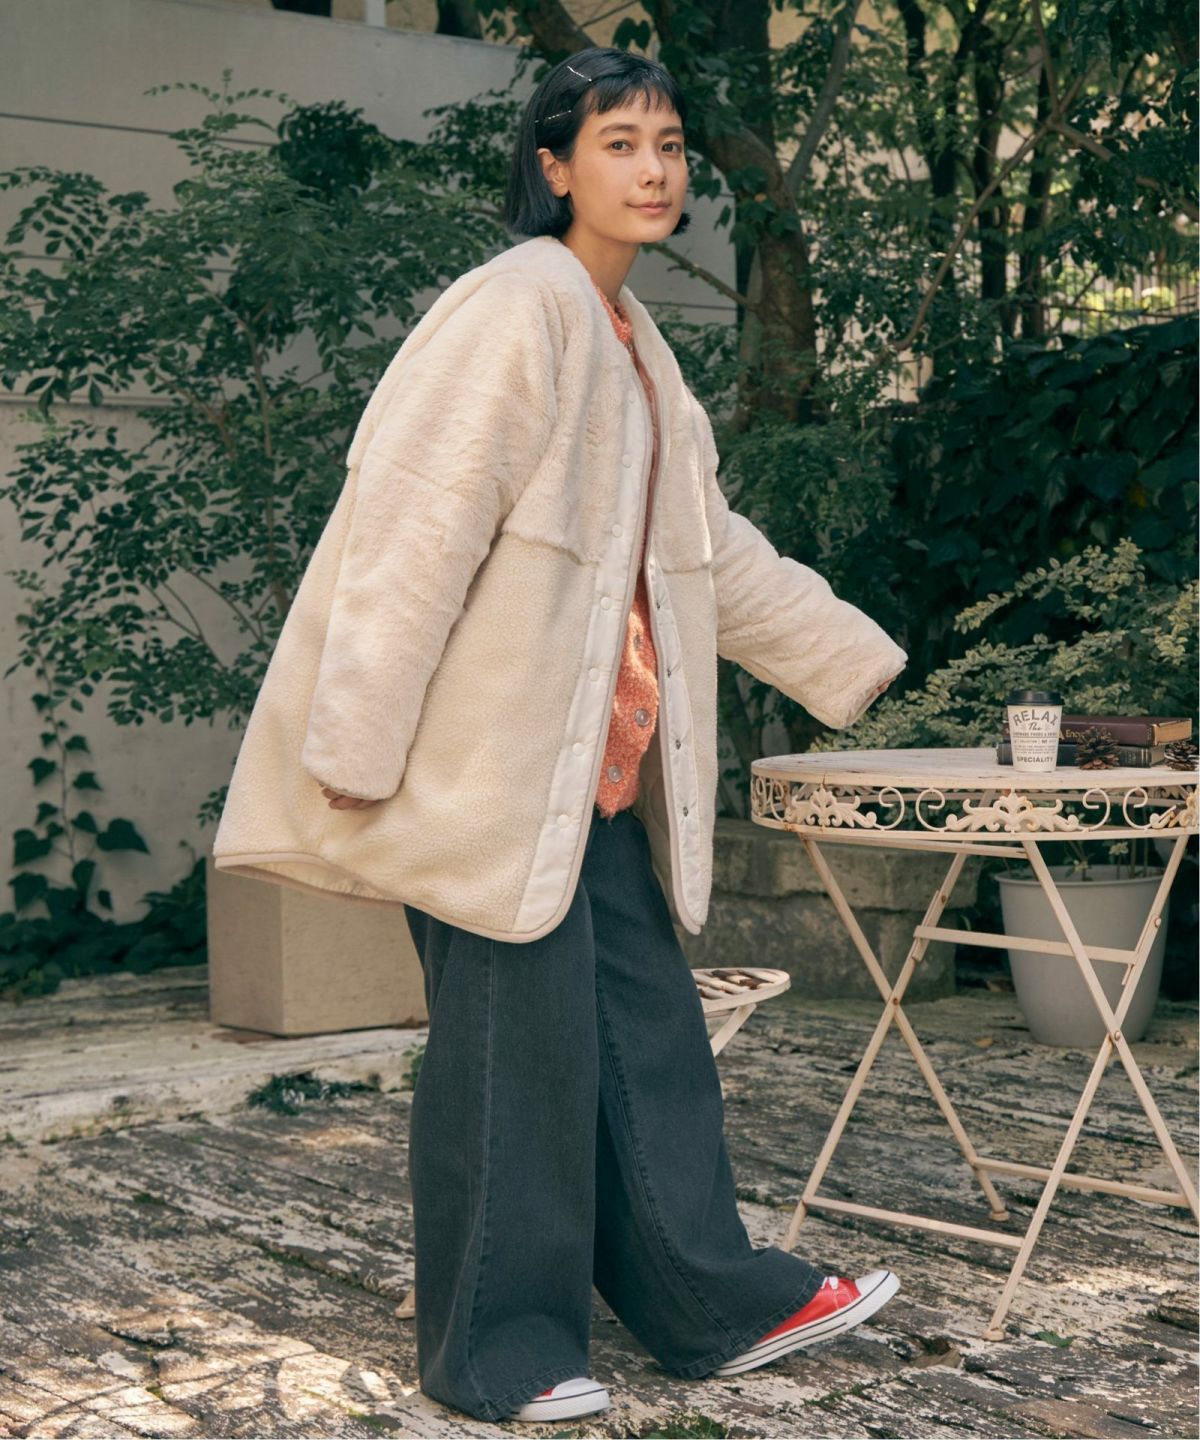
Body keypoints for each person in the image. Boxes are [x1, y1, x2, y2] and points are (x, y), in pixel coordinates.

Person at [213, 44, 906, 1430]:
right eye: (619, 144)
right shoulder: (513, 310)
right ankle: (498, 1349)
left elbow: (708, 553)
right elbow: (413, 529)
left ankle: (711, 1301)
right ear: (554, 167)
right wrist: (356, 741)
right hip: (490, 773)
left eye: (669, 146)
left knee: (648, 1035)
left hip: (592, 783)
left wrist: (859, 661)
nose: (653, 171)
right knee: (511, 1065)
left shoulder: (634, 342)